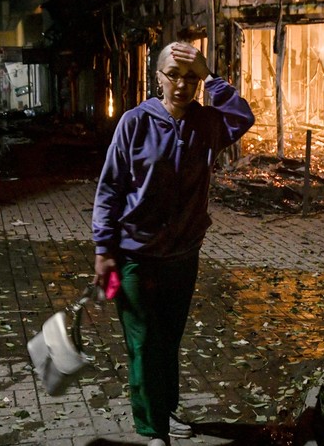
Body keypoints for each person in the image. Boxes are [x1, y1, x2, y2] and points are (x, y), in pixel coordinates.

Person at [92, 42, 255, 445]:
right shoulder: (134, 122)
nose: (182, 84)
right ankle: (154, 431)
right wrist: (103, 249)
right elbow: (110, 187)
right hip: (134, 255)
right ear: (158, 78)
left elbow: (243, 116)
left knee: (167, 340)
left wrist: (211, 74)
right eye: (173, 75)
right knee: (144, 341)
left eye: (191, 77)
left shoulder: (208, 124)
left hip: (182, 256)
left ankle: (164, 410)